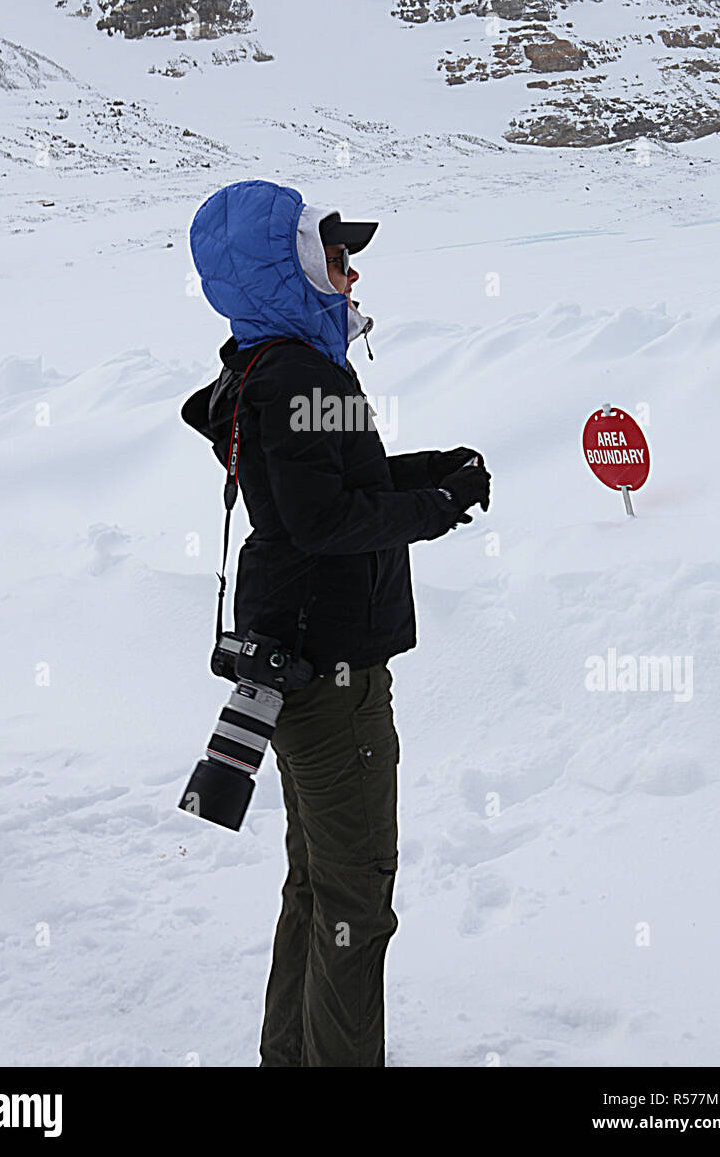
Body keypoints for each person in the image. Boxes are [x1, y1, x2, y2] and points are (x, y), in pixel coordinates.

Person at [184, 178, 490, 1067]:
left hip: (300, 666)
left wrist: (432, 471)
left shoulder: (268, 364)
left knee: (317, 886)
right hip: (335, 679)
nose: (351, 274)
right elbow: (324, 523)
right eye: (335, 255)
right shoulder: (300, 373)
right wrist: (433, 505)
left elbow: (324, 486)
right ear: (285, 267)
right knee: (356, 900)